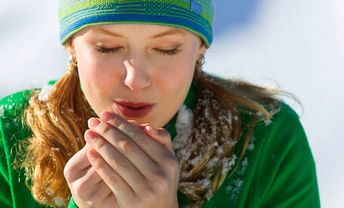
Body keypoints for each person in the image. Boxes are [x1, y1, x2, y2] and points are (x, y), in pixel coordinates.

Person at [0, 0, 320, 207]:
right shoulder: (8, 136)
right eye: (107, 48)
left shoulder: (264, 142)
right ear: (71, 45)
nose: (135, 79)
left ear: (199, 49)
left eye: (167, 49)